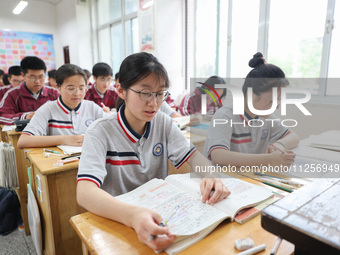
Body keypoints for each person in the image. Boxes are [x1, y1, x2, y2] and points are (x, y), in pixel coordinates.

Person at [76, 52, 230, 252]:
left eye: (160, 94)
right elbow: (85, 193)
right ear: (121, 90)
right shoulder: (100, 131)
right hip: (116, 219)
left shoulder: (163, 123)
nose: (154, 103)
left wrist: (212, 176)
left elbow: (193, 156)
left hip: (159, 216)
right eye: (145, 93)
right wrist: (132, 215)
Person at [203, 52, 299, 168]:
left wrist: (279, 144)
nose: (276, 107)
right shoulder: (225, 116)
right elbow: (219, 156)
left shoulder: (265, 118)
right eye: (272, 101)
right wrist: (268, 160)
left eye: (278, 101)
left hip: (248, 177)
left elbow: (294, 136)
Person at [17, 64, 107, 149]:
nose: (77, 93)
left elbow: (113, 128)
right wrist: (65, 139)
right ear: (58, 87)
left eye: (81, 88)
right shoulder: (47, 109)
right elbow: (23, 141)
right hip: (58, 162)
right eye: (71, 89)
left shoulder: (92, 107)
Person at [0, 56, 59, 125]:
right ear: (23, 75)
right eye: (32, 77)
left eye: (41, 77)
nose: (37, 81)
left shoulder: (53, 93)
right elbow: (2, 116)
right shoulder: (12, 94)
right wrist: (24, 117)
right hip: (23, 134)